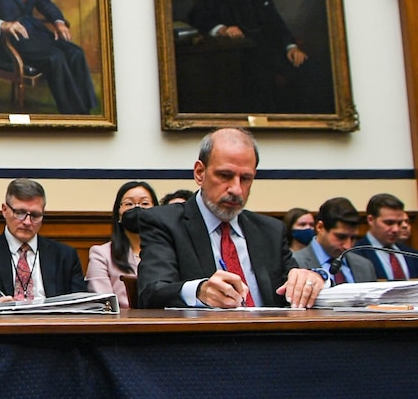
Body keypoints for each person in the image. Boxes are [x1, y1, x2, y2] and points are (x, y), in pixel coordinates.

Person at [137, 128, 326, 309]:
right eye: (225, 175)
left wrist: (309, 281)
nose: (236, 190)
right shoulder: (164, 223)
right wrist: (199, 291)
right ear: (199, 173)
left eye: (245, 178)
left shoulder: (271, 231)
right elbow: (152, 292)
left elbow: (292, 287)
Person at [187, 0, 308, 112]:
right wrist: (222, 29)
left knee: (306, 68)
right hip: (238, 52)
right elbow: (196, 16)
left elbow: (275, 21)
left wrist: (291, 46)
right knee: (260, 80)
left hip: (269, 49)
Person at [0, 178, 85, 302]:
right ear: (4, 210)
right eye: (20, 213)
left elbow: (81, 305)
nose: (27, 222)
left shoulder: (65, 256)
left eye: (35, 215)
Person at [86, 180, 158, 310]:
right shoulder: (101, 254)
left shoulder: (171, 252)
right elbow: (103, 303)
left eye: (145, 203)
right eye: (129, 203)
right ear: (118, 214)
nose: (137, 208)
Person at [292, 197, 376, 283]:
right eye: (341, 237)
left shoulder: (365, 266)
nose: (348, 246)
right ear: (320, 227)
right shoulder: (293, 263)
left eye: (353, 238)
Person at [361, 193, 418, 281]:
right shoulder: (355, 252)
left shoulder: (412, 254)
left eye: (399, 223)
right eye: (389, 223)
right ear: (371, 220)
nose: (396, 229)